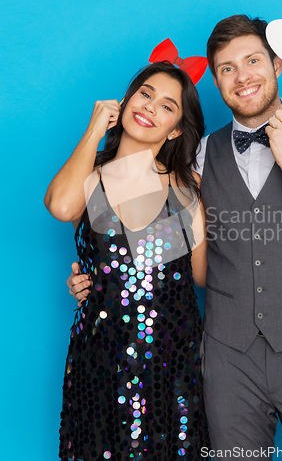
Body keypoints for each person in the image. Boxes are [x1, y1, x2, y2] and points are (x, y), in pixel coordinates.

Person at [68, 15, 282, 460]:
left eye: (252, 61)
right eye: (226, 68)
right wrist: (106, 276)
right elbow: (160, 234)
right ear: (217, 80)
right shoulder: (200, 156)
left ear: (278, 64)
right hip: (226, 361)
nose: (242, 76)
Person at [45, 61, 210, 461]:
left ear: (175, 130)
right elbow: (62, 206)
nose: (151, 107)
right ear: (127, 99)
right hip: (98, 355)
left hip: (168, 362)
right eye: (146, 94)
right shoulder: (91, 175)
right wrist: (94, 130)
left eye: (168, 106)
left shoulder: (185, 187)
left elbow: (202, 276)